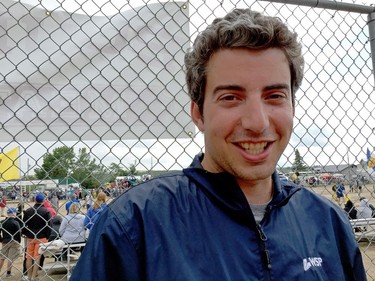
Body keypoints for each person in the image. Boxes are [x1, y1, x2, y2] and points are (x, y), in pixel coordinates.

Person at [71, 8, 366, 280]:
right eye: (231, 98)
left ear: (292, 107)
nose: (257, 122)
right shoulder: (132, 227)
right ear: (198, 113)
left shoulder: (328, 223)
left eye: (274, 96)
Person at [22, 193, 51, 281]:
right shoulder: (46, 211)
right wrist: (47, 236)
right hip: (42, 236)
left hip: (31, 236)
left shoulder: (28, 211)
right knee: (37, 257)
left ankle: (29, 276)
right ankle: (34, 277)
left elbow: (24, 224)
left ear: (35, 200)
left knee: (29, 257)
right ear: (43, 201)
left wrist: (25, 233)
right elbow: (49, 225)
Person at [0, 208, 22, 278]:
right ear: (14, 214)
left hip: (5, 241)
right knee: (10, 258)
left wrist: (1, 239)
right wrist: (19, 241)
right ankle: (8, 273)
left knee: (2, 258)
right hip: (14, 241)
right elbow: (18, 233)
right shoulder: (15, 222)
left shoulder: (2, 222)